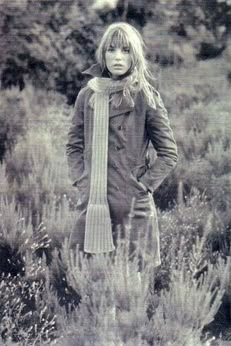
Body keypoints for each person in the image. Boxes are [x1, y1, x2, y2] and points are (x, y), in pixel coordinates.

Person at [66, 22, 178, 268]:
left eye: (126, 50)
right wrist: (81, 180)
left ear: (134, 56)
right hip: (94, 200)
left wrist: (143, 187)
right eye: (111, 50)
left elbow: (169, 153)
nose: (118, 57)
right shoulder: (88, 95)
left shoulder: (146, 97)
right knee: (93, 277)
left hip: (131, 205)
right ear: (103, 55)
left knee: (130, 283)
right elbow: (73, 145)